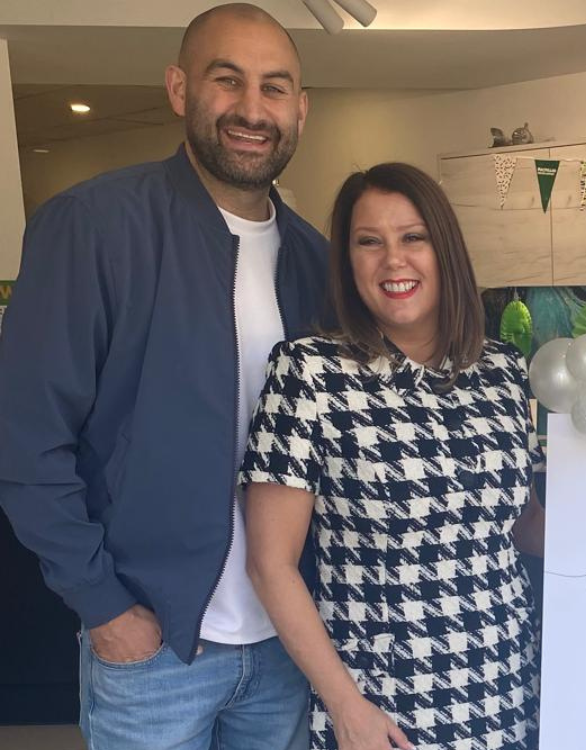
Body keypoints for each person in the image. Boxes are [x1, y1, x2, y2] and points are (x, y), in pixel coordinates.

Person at [0, 4, 327, 748]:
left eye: (274, 88)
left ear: (300, 110)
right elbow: (25, 442)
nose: (252, 108)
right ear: (180, 88)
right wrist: (104, 607)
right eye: (227, 80)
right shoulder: (92, 227)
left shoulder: (318, 260)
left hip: (288, 647)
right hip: (154, 648)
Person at [241, 162, 546, 750]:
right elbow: (269, 564)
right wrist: (345, 706)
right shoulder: (309, 373)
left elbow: (518, 521)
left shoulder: (502, 370)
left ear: (445, 251)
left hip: (508, 686)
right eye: (368, 242)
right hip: (385, 704)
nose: (393, 261)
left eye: (413, 238)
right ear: (348, 261)